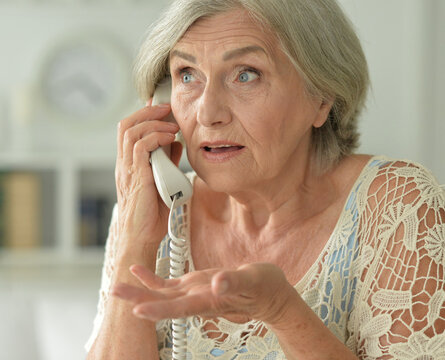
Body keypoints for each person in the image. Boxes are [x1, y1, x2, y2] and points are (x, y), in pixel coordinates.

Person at [85, 0, 445, 358]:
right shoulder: (155, 208)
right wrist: (137, 243)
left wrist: (281, 311)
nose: (207, 113)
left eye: (245, 74)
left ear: (321, 98)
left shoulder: (400, 207)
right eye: (187, 75)